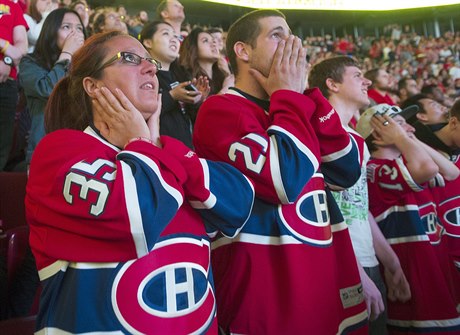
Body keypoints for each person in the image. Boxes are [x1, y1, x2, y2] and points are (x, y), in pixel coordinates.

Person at [25, 30, 255, 334]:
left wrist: (157, 143)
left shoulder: (167, 153)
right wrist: (141, 143)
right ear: (93, 86)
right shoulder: (59, 152)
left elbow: (240, 205)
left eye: (150, 61)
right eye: (131, 58)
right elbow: (137, 220)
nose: (151, 67)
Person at [193, 9, 368, 334]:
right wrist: (288, 96)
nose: (291, 44)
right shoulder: (220, 110)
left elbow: (346, 172)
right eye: (276, 35)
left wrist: (303, 95)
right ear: (243, 51)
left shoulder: (295, 104)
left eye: (290, 34)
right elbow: (283, 183)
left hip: (323, 279)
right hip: (268, 296)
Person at [308, 56, 412, 334]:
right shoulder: (316, 134)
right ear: (332, 84)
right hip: (341, 265)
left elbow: (359, 207)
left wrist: (390, 261)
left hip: (369, 262)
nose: (366, 81)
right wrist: (353, 271)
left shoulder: (355, 140)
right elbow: (320, 210)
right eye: (357, 75)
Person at [356, 104, 460, 334]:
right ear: (379, 136)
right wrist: (402, 137)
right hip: (414, 288)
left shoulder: (406, 163)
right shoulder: (374, 169)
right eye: (399, 124)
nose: (410, 128)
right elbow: (427, 168)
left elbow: (452, 173)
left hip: (435, 275)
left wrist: (407, 136)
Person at [19, 7, 86, 165]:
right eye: (66, 27)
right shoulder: (30, 62)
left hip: (80, 147)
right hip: (45, 146)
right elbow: (48, 89)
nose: (75, 34)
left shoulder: (86, 68)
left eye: (79, 28)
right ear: (51, 31)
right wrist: (67, 54)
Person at [139, 21, 209, 148]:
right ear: (148, 42)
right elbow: (140, 113)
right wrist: (172, 96)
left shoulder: (181, 75)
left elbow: (190, 119)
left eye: (176, 36)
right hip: (162, 154)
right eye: (166, 34)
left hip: (188, 152)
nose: (174, 39)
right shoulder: (143, 75)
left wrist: (197, 100)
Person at [0, 0, 28, 171]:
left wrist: (6, 61)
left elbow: (21, 48)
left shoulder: (12, 6)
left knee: (2, 141)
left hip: (7, 83)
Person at [179, 27, 233, 98]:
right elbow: (204, 108)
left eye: (213, 41)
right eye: (205, 41)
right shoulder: (187, 77)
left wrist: (228, 75)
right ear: (193, 49)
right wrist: (226, 88)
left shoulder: (222, 73)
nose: (214, 43)